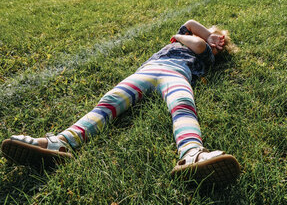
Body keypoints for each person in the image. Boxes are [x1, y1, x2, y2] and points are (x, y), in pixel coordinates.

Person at [1, 20, 240, 186]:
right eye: (214, 36)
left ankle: (192, 154)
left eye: (221, 44)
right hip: (145, 73)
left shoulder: (205, 52)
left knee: (183, 106)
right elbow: (190, 22)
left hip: (176, 76)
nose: (215, 42)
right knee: (109, 103)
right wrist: (207, 32)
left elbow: (198, 44)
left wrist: (202, 40)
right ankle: (60, 143)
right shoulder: (195, 35)